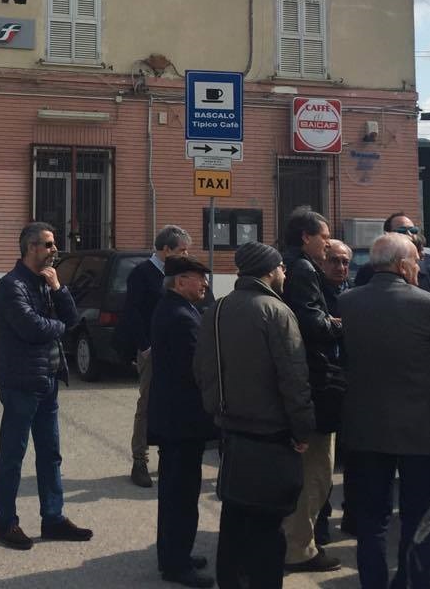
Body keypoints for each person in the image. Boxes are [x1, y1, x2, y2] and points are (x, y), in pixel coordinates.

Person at [195, 242, 316, 589]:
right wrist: (303, 429)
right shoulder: (277, 312)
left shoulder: (217, 308)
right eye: (280, 267)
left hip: (231, 431)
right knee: (267, 526)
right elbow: (294, 379)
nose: (285, 273)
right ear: (269, 271)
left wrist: (217, 407)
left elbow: (201, 368)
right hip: (271, 435)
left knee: (234, 518)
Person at [339, 232, 430, 589]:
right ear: (404, 265)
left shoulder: (348, 302)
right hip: (421, 427)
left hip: (365, 425)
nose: (418, 266)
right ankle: (405, 580)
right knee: (417, 516)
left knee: (371, 519)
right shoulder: (426, 303)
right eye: (415, 261)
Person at [0, 222, 94, 549]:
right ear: (31, 248)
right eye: (48, 245)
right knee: (13, 456)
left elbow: (72, 319)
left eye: (54, 244)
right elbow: (31, 328)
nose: (54, 250)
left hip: (48, 379)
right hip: (21, 383)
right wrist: (58, 325)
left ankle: (53, 518)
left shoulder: (47, 282)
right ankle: (6, 523)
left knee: (50, 454)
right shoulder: (11, 285)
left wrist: (59, 289)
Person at [278, 208, 343, 574]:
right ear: (306, 237)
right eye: (324, 236)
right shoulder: (302, 269)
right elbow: (312, 324)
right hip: (314, 380)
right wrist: (341, 324)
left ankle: (295, 543)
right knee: (316, 473)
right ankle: (299, 550)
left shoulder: (289, 264)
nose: (328, 243)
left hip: (296, 381)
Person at [149, 255, 220, 588]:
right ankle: (176, 564)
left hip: (175, 421)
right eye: (198, 278)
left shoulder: (178, 309)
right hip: (181, 423)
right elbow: (196, 370)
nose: (205, 283)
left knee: (176, 494)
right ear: (180, 282)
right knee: (180, 496)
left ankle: (175, 554)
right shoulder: (180, 317)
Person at [121, 224, 193, 488]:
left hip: (177, 350)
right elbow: (132, 312)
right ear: (165, 249)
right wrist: (145, 346)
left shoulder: (182, 274)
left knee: (174, 402)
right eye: (181, 250)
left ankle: (168, 456)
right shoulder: (142, 273)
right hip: (153, 350)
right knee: (148, 403)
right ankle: (140, 460)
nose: (185, 255)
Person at [354, 213, 430, 341]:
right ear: (387, 234)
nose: (409, 235)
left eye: (413, 230)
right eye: (402, 231)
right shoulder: (370, 271)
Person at [314, 240, 352, 546]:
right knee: (322, 464)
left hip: (351, 383)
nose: (340, 267)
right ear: (322, 262)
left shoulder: (353, 295)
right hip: (324, 384)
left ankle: (352, 514)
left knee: (353, 458)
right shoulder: (315, 294)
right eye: (334, 261)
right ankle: (320, 522)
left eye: (345, 262)